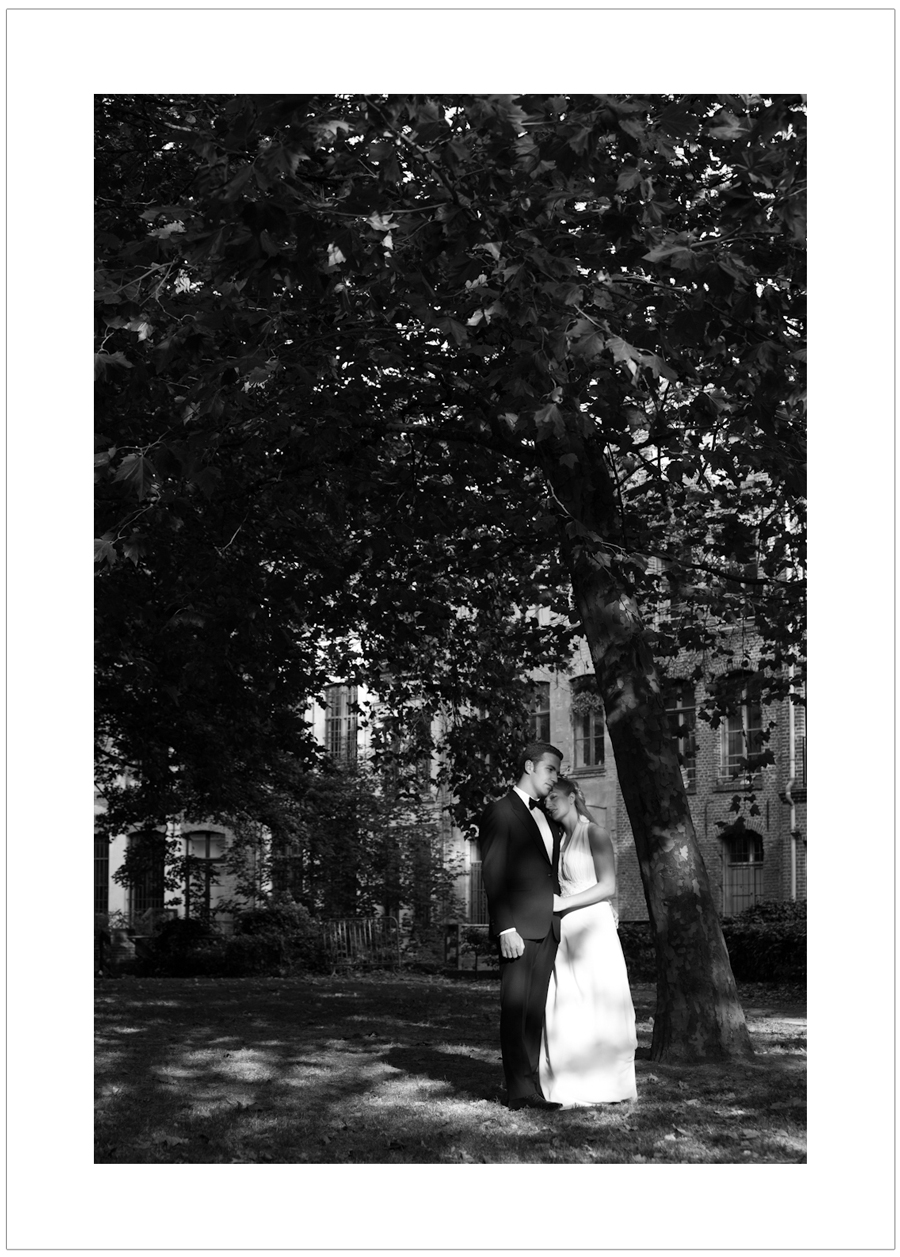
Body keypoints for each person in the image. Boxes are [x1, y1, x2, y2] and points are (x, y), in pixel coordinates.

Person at [540, 776, 638, 1106]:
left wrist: (562, 903)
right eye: (547, 798)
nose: (550, 803)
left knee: (599, 1004)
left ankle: (608, 1086)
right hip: (565, 934)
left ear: (574, 796)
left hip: (592, 931)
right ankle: (570, 1084)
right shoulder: (557, 841)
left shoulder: (594, 834)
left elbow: (608, 886)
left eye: (555, 797)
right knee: (567, 1006)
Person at [478, 741, 564, 1111]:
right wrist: (504, 928)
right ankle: (518, 1091)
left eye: (558, 773)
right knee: (515, 1010)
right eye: (550, 770)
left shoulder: (546, 815)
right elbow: (493, 873)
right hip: (518, 930)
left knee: (534, 1011)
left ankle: (530, 1086)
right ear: (530, 766)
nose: (555, 779)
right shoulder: (501, 811)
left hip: (548, 928)